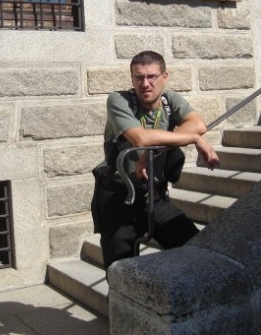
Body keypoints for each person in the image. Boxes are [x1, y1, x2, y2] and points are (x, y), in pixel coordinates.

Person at [92, 50, 219, 269]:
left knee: (194, 250)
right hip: (118, 198)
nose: (145, 83)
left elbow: (198, 124)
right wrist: (194, 139)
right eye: (138, 77)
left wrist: (155, 153)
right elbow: (140, 139)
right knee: (120, 273)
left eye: (152, 76)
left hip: (154, 194)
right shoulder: (119, 100)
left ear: (164, 77)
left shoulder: (170, 101)